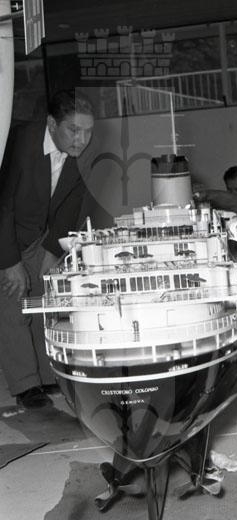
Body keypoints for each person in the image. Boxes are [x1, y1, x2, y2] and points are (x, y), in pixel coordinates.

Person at [0, 90, 97, 409]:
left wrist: (53, 250)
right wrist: (9, 263)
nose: (82, 140)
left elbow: (72, 205)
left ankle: (46, 376)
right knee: (13, 302)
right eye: (74, 130)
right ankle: (25, 385)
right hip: (7, 233)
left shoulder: (83, 153)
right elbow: (2, 204)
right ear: (52, 124)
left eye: (88, 131)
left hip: (40, 235)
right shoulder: (17, 143)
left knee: (44, 304)